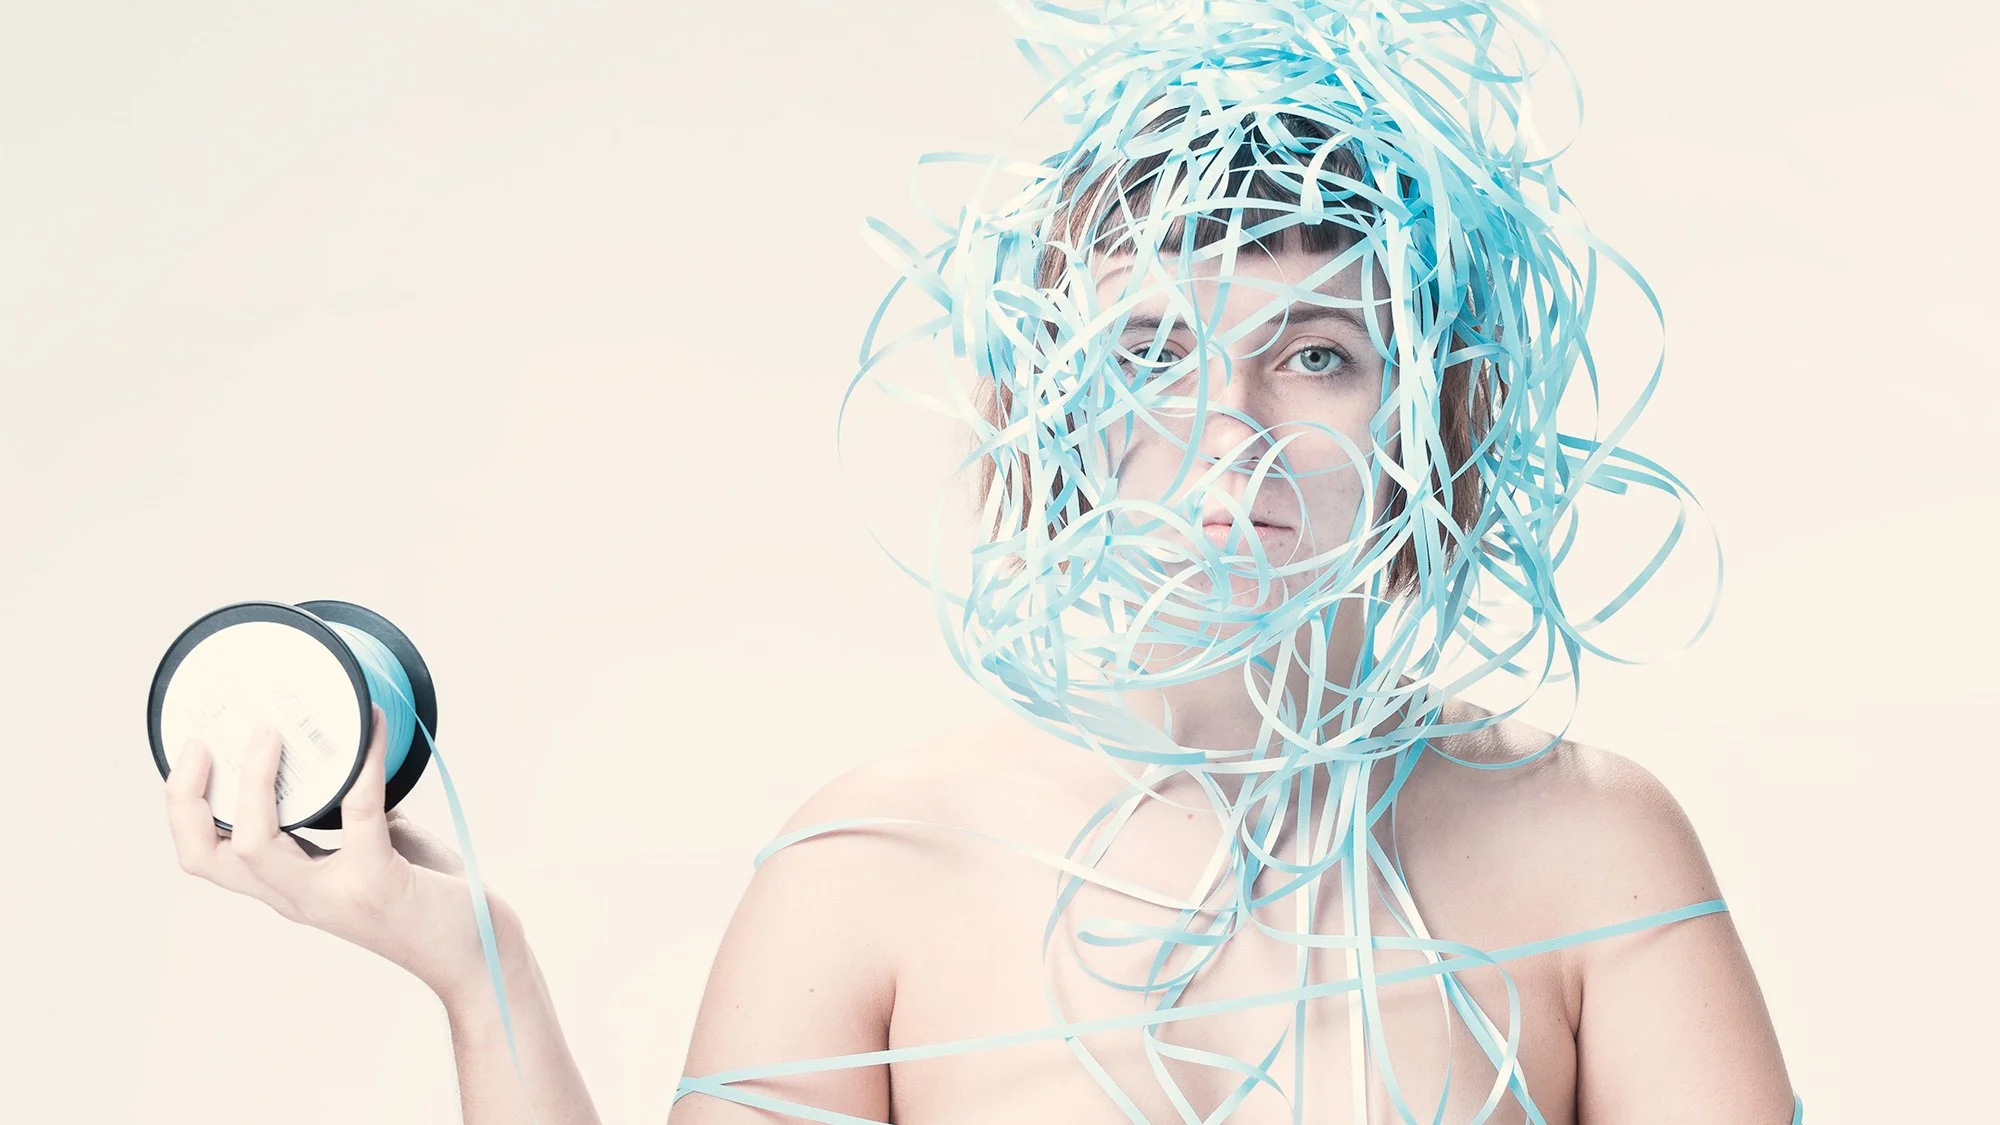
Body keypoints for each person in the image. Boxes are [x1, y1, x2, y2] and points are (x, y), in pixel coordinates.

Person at [161, 2, 1798, 1122]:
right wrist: (484, 977)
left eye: (1316, 355)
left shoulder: (1594, 848)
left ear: (1431, 414)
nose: (1227, 430)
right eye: (1152, 353)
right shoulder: (872, 862)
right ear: (1058, 410)